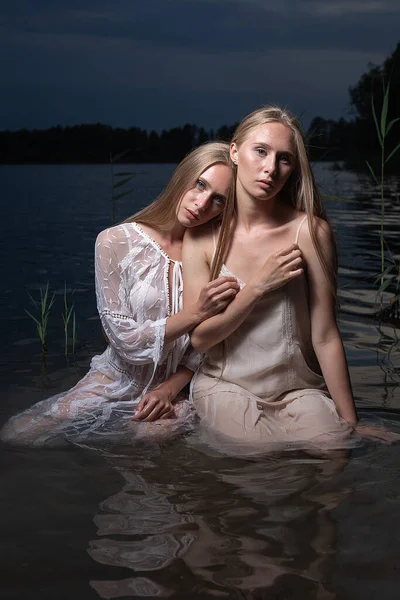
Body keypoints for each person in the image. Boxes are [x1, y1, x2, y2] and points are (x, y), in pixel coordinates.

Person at [183, 106, 398, 453]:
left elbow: (325, 335)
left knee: (336, 448)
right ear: (235, 152)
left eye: (285, 159)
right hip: (226, 385)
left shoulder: (309, 231)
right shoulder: (202, 239)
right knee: (258, 455)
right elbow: (200, 340)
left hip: (298, 389)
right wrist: (257, 288)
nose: (271, 168)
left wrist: (351, 421)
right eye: (261, 151)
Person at [1, 142, 239, 447]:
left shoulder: (214, 253)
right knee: (17, 433)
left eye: (218, 200)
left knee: (150, 439)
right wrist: (197, 312)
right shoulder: (115, 241)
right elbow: (124, 340)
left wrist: (169, 389)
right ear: (183, 176)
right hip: (117, 377)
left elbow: (206, 346)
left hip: (180, 385)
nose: (201, 203)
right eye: (200, 185)